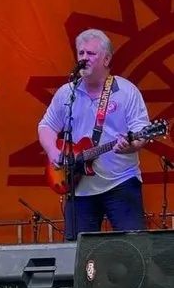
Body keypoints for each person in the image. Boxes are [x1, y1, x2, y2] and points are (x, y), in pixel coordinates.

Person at [38, 28, 150, 240]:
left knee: (134, 247)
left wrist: (131, 145)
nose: (84, 58)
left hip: (120, 182)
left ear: (107, 59)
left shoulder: (126, 91)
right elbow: (46, 126)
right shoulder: (67, 93)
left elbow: (141, 131)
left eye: (91, 53)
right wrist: (53, 152)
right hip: (79, 186)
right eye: (81, 53)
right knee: (77, 252)